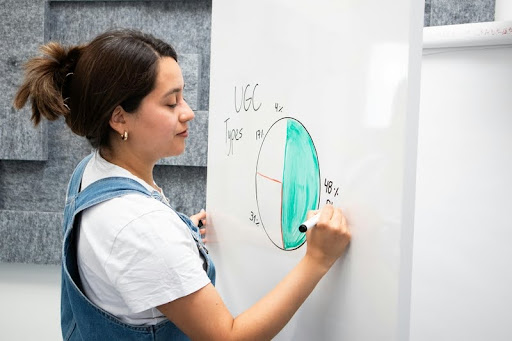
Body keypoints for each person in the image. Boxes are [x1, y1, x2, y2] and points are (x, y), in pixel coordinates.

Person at [13, 29, 351, 340]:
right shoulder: (141, 227)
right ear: (119, 118)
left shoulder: (91, 171)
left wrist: (182, 230)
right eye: (171, 102)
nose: (188, 112)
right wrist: (316, 261)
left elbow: (128, 258)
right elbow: (228, 337)